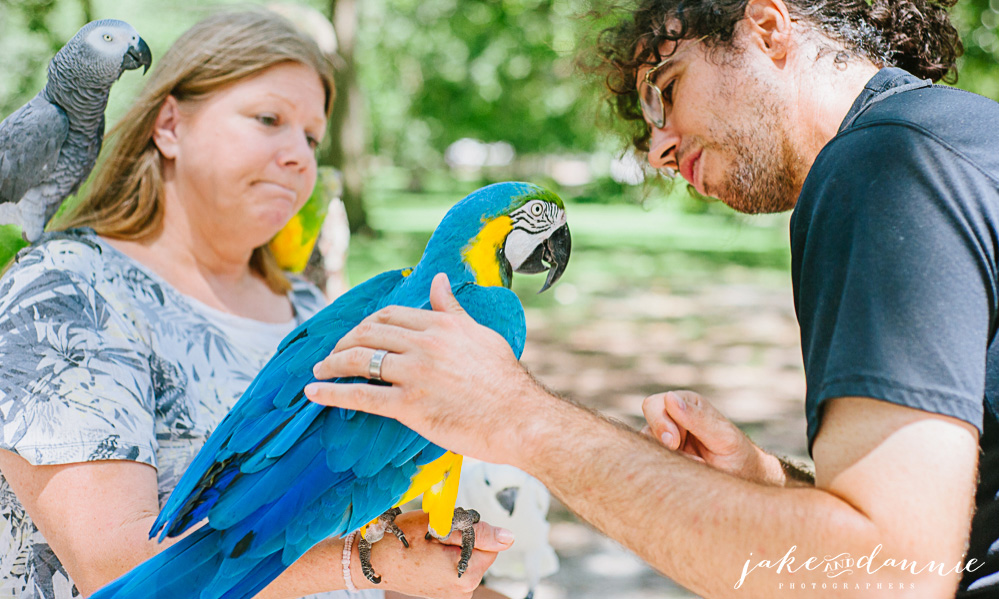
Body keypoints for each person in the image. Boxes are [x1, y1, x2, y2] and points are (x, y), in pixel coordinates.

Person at [305, 0, 999, 597]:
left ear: (765, 26)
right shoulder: (949, 138)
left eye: (663, 90)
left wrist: (517, 416)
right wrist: (767, 483)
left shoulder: (883, 165)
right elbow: (938, 526)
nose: (659, 150)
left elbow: (886, 577)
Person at [0, 10, 512, 599]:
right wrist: (362, 564)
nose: (300, 155)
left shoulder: (306, 305)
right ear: (169, 126)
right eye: (269, 119)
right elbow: (113, 569)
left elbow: (363, 542)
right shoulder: (65, 293)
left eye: (313, 138)